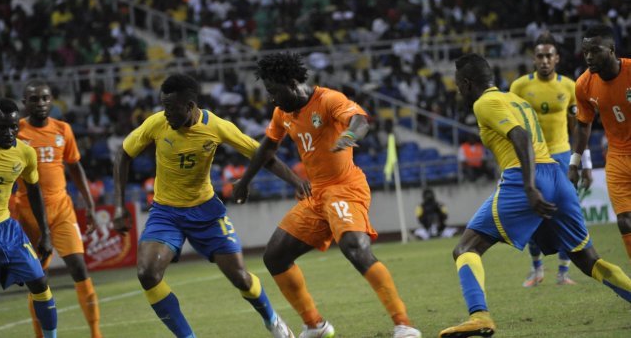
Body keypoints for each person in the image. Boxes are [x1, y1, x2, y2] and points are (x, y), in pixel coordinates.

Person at [439, 53, 631, 338]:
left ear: (467, 83)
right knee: (588, 260)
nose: (458, 91)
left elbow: (520, 137)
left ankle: (479, 317)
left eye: (458, 85)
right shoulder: (517, 100)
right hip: (556, 176)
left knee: (466, 249)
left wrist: (529, 186)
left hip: (525, 177)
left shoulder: (484, 104)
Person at [232, 52, 422, 338]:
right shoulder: (282, 112)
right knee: (275, 257)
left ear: (292, 82)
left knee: (354, 247)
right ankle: (315, 325)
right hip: (317, 194)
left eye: (274, 91)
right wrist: (245, 181)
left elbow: (360, 121)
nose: (271, 98)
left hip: (345, 188)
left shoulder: (329, 100)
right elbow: (268, 148)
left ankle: (404, 324)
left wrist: (349, 137)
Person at [112, 73, 299, 338]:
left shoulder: (217, 127)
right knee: (147, 273)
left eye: (171, 108)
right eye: (163, 106)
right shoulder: (156, 124)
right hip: (166, 212)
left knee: (240, 277)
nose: (166, 113)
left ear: (190, 106)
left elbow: (262, 154)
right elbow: (123, 154)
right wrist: (119, 206)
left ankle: (272, 320)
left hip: (206, 212)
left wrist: (296, 182)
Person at [14, 79, 103, 338]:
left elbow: (75, 167)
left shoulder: (63, 129)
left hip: (61, 208)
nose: (41, 103)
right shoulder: (16, 132)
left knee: (79, 267)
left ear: (51, 100)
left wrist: (90, 205)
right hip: (29, 212)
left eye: (45, 98)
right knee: (37, 278)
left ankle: (96, 333)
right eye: (34, 99)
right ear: (25, 103)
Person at [0, 99, 58, 338]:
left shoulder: (25, 153)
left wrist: (45, 233)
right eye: (2, 127)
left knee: (40, 282)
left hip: (5, 229)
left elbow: (34, 192)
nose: (8, 132)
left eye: (13, 127)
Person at [510, 32, 580, 287]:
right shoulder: (519, 87)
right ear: (534, 58)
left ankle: (563, 272)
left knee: (565, 212)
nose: (544, 60)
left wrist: (579, 160)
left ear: (557, 58)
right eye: (540, 56)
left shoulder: (569, 86)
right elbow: (513, 126)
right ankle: (536, 269)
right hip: (534, 158)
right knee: (533, 211)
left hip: (561, 155)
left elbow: (577, 125)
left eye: (549, 55)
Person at [569, 24, 631, 261]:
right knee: (625, 221)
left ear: (612, 50)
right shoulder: (583, 85)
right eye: (585, 51)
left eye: (595, 51)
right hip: (617, 158)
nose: (588, 57)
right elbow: (583, 125)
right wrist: (574, 163)